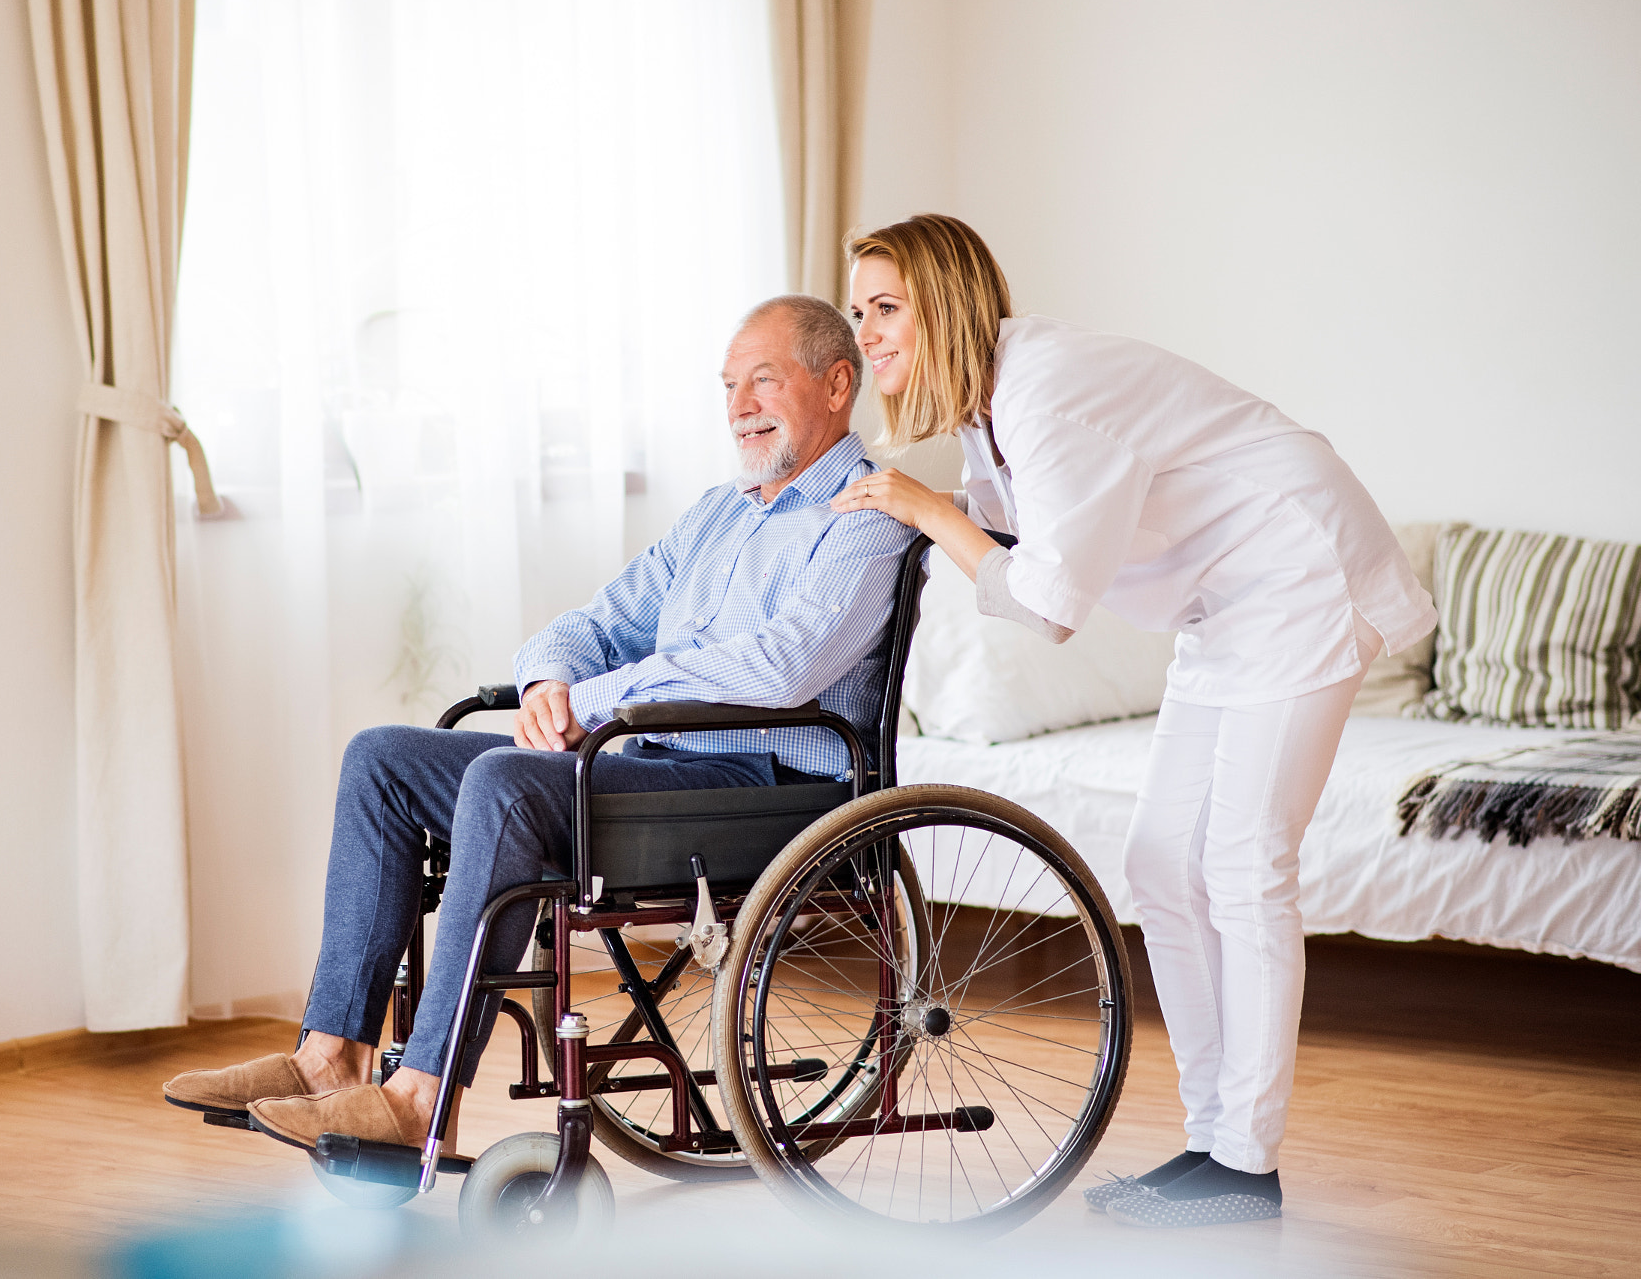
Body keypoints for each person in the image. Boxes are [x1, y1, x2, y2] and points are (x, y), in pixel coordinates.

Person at [163, 294, 913, 1156]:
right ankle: (332, 1054)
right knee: (382, 760)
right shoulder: (720, 512)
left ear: (836, 384)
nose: (740, 404)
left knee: (508, 781)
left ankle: (419, 1097)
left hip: (771, 792)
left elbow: (784, 667)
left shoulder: (870, 514)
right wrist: (552, 678)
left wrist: (597, 702)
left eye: (765, 380)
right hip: (662, 769)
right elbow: (597, 621)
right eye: (729, 384)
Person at [831, 214, 1434, 1228]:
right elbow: (1019, 539)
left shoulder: (1043, 389)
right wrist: (925, 512)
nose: (867, 333)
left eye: (884, 307)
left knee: (1243, 865)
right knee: (1159, 861)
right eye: (856, 314)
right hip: (1222, 605)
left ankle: (1245, 1161)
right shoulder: (989, 409)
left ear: (942, 300)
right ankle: (1213, 1145)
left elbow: (1051, 603)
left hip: (1296, 573)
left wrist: (931, 513)